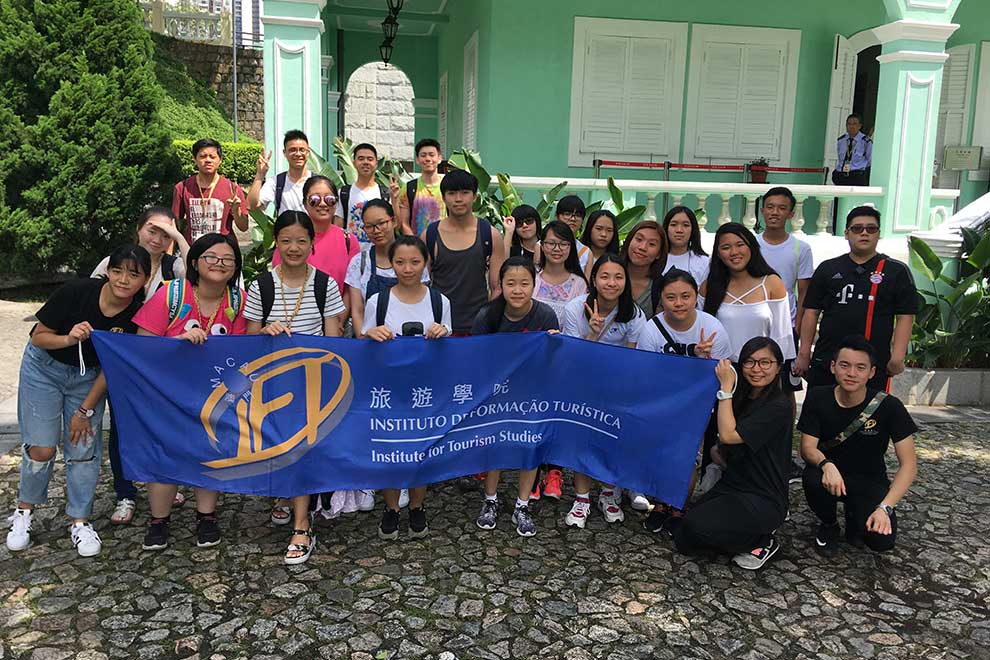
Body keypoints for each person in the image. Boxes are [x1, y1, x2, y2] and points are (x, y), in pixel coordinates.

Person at [6, 245, 151, 557]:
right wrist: (69, 338)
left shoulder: (137, 315)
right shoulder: (77, 291)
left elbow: (113, 369)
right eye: (117, 271)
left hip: (90, 377)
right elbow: (38, 337)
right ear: (107, 271)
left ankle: (80, 521)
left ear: (145, 280)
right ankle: (24, 511)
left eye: (133, 274)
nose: (123, 279)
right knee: (42, 448)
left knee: (83, 447)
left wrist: (84, 410)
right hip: (44, 369)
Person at [132, 233, 248, 551]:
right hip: (166, 393)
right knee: (164, 454)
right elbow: (141, 345)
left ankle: (206, 516)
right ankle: (159, 521)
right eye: (211, 257)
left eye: (227, 259)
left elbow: (243, 349)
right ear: (195, 261)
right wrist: (177, 342)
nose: (219, 264)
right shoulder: (171, 294)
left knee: (209, 451)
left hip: (213, 395)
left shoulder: (238, 300)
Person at [244, 211, 345, 564]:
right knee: (278, 446)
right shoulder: (261, 286)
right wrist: (264, 332)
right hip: (271, 384)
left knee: (301, 447)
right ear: (276, 242)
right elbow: (249, 341)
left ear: (312, 244)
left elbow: (333, 340)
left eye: (301, 240)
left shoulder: (324, 284)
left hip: (311, 382)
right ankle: (284, 494)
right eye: (286, 240)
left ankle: (302, 526)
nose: (294, 247)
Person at [91, 208, 191, 524]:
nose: (157, 238)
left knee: (162, 423)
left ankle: (164, 480)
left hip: (162, 360)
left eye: (165, 233)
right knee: (122, 425)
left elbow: (197, 274)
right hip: (123, 357)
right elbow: (94, 299)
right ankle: (125, 492)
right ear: (138, 229)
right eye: (152, 229)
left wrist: (178, 237)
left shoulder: (174, 266)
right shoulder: (115, 262)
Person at [672, 337, 793, 571]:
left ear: (778, 367)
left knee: (698, 529)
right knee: (684, 533)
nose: (757, 369)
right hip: (733, 486)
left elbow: (728, 435)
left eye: (765, 362)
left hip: (763, 496)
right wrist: (703, 361)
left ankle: (762, 541)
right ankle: (748, 534)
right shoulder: (742, 396)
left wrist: (725, 389)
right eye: (750, 362)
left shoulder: (779, 406)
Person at [363, 236, 452, 541]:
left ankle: (416, 506)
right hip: (388, 391)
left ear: (425, 263)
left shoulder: (440, 302)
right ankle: (391, 508)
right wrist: (371, 334)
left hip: (425, 392)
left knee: (420, 449)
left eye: (415, 262)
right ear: (391, 264)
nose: (408, 268)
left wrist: (443, 333)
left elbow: (450, 350)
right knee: (390, 451)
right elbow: (364, 343)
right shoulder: (378, 302)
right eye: (400, 262)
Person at [798, 335, 917, 556]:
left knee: (881, 542)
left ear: (871, 372)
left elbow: (909, 465)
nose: (851, 373)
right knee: (812, 479)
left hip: (869, 479)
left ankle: (855, 517)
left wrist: (885, 507)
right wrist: (826, 465)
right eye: (844, 365)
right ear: (833, 367)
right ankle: (829, 523)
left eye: (860, 367)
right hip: (828, 475)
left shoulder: (889, 406)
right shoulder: (817, 398)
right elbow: (807, 448)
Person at [636, 269, 733, 532]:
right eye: (671, 297)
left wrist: (703, 361)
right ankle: (660, 505)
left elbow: (724, 374)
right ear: (661, 300)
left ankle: (679, 506)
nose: (679, 303)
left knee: (687, 456)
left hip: (698, 404)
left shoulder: (712, 328)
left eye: (685, 296)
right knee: (660, 454)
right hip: (661, 401)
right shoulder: (652, 328)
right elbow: (646, 372)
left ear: (696, 297)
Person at [471, 257, 559, 536]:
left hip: (533, 394)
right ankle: (490, 500)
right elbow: (475, 358)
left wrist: (555, 343)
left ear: (534, 285)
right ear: (501, 285)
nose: (518, 290)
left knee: (529, 447)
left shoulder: (545, 315)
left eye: (524, 283)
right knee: (495, 446)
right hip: (497, 394)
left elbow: (554, 361)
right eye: (511, 283)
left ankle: (522, 505)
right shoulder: (487, 316)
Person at [562, 254, 646, 526]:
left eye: (618, 277)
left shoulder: (634, 314)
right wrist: (593, 334)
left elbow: (633, 359)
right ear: (594, 280)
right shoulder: (575, 308)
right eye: (605, 276)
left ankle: (608, 494)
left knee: (612, 441)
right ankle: (581, 499)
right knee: (583, 441)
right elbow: (572, 358)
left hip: (617, 387)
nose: (611, 283)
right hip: (582, 384)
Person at [794, 206, 917, 391]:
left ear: (878, 234)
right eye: (857, 228)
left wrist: (897, 357)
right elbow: (811, 312)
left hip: (872, 365)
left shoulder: (896, 271)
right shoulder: (828, 268)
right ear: (846, 233)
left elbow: (905, 316)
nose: (864, 233)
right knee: (820, 407)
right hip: (827, 361)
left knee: (871, 410)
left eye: (871, 229)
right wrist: (804, 354)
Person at [422, 168, 505, 335]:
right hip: (437, 328)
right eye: (452, 193)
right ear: (443, 197)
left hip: (478, 328)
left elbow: (497, 287)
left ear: (474, 197)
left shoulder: (490, 235)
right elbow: (421, 284)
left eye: (465, 193)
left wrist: (488, 320)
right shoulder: (429, 235)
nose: (458, 199)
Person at [700, 223, 795, 363]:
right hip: (720, 367)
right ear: (718, 254)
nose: (734, 252)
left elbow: (782, 336)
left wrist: (774, 368)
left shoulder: (772, 283)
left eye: (740, 245)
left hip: (760, 369)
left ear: (751, 247)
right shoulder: (709, 286)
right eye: (726, 247)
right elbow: (701, 331)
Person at [276, 175, 360, 326]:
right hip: (296, 321)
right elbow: (279, 281)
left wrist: (339, 321)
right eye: (315, 199)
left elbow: (350, 287)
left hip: (337, 321)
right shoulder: (290, 241)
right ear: (305, 203)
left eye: (329, 199)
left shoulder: (348, 240)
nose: (322, 204)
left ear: (336, 203)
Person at [348, 199, 429, 339]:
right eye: (369, 226)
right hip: (373, 341)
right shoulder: (359, 263)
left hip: (412, 338)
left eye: (381, 223)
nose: (376, 230)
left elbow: (424, 302)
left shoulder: (414, 258)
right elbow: (358, 311)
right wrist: (363, 338)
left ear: (394, 221)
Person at [172, 138, 248, 244]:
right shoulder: (182, 188)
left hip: (223, 250)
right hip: (192, 249)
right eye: (203, 156)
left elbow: (244, 227)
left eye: (212, 157)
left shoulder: (232, 189)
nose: (208, 160)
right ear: (195, 159)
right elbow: (175, 225)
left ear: (220, 160)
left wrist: (236, 211)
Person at [334, 143, 394, 243]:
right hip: (352, 250)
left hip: (377, 250)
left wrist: (395, 199)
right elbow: (338, 226)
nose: (365, 162)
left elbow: (396, 224)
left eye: (370, 159)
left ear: (376, 164)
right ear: (354, 163)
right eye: (361, 159)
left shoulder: (385, 194)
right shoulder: (344, 193)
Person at [246, 129, 313, 216]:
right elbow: (251, 206)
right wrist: (260, 175)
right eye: (292, 150)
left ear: (308, 153)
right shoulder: (276, 182)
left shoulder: (317, 182)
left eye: (302, 150)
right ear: (284, 153)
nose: (298, 154)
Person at [533, 220, 588, 326]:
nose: (557, 249)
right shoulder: (532, 279)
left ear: (571, 247)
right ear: (542, 246)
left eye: (563, 244)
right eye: (551, 243)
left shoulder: (580, 284)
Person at [395, 138, 446, 236]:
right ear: (417, 160)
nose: (428, 159)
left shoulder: (447, 186)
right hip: (416, 243)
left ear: (439, 158)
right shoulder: (409, 188)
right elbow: (404, 223)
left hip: (444, 243)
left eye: (432, 155)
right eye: (423, 155)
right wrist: (415, 243)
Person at [619, 220, 668, 317]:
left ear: (659, 253)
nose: (642, 247)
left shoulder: (660, 287)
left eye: (652, 244)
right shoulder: (609, 274)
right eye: (639, 239)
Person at [662, 206, 710, 287]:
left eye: (685, 225)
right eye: (673, 225)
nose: (679, 230)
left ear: (693, 230)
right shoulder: (655, 258)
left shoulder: (704, 263)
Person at [832, 114, 872, 187]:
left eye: (854, 124)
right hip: (841, 175)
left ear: (860, 126)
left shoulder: (865, 142)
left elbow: (870, 161)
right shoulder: (841, 140)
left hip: (857, 176)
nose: (851, 126)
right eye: (849, 124)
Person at [580, 210, 620, 280]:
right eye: (598, 229)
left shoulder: (618, 261)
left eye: (609, 230)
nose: (603, 234)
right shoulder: (578, 254)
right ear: (589, 228)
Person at [555, 195, 592, 270]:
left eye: (578, 215)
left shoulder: (586, 252)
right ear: (557, 216)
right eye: (567, 214)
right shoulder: (541, 246)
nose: (573, 219)